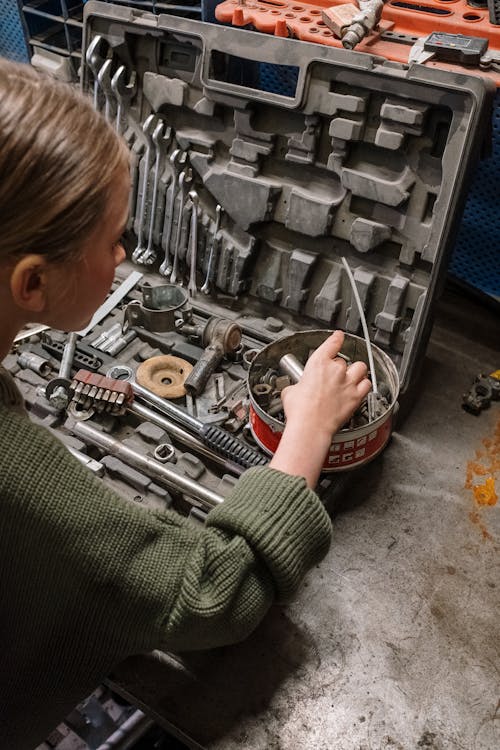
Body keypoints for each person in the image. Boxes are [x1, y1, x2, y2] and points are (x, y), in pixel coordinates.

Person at [0, 57, 372, 748]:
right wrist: (310, 429)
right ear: (32, 283)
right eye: (114, 239)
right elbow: (209, 596)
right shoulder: (15, 477)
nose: (128, 257)